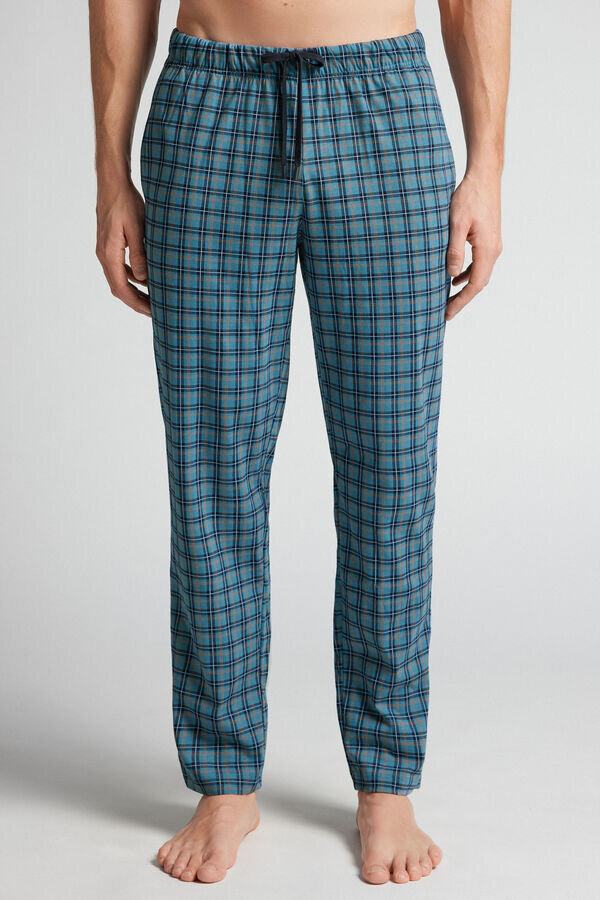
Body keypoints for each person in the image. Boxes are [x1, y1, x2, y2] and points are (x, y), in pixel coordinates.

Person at [89, 0, 510, 885]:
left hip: (383, 103)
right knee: (212, 469)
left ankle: (386, 782)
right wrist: (109, 171)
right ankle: (224, 783)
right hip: (210, 103)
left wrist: (487, 168)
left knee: (392, 469)